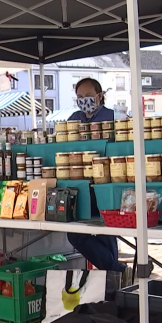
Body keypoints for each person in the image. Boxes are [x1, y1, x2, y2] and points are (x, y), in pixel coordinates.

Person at [65, 78, 130, 281]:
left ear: (99, 96)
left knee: (106, 229)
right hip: (81, 185)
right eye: (79, 97)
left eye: (87, 96)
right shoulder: (74, 119)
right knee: (75, 232)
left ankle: (113, 276)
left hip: (107, 184)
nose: (83, 101)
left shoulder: (113, 117)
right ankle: (116, 270)